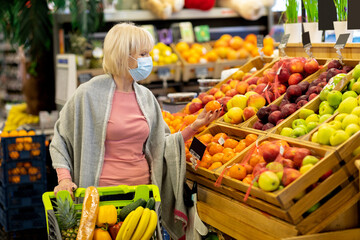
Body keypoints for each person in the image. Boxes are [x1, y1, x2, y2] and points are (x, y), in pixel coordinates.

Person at [50, 22, 221, 239]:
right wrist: (64, 179)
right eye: (143, 53)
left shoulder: (146, 97)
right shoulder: (88, 94)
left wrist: (194, 126)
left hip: (142, 197)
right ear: (124, 55)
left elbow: (162, 144)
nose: (148, 59)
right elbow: (60, 138)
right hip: (101, 198)